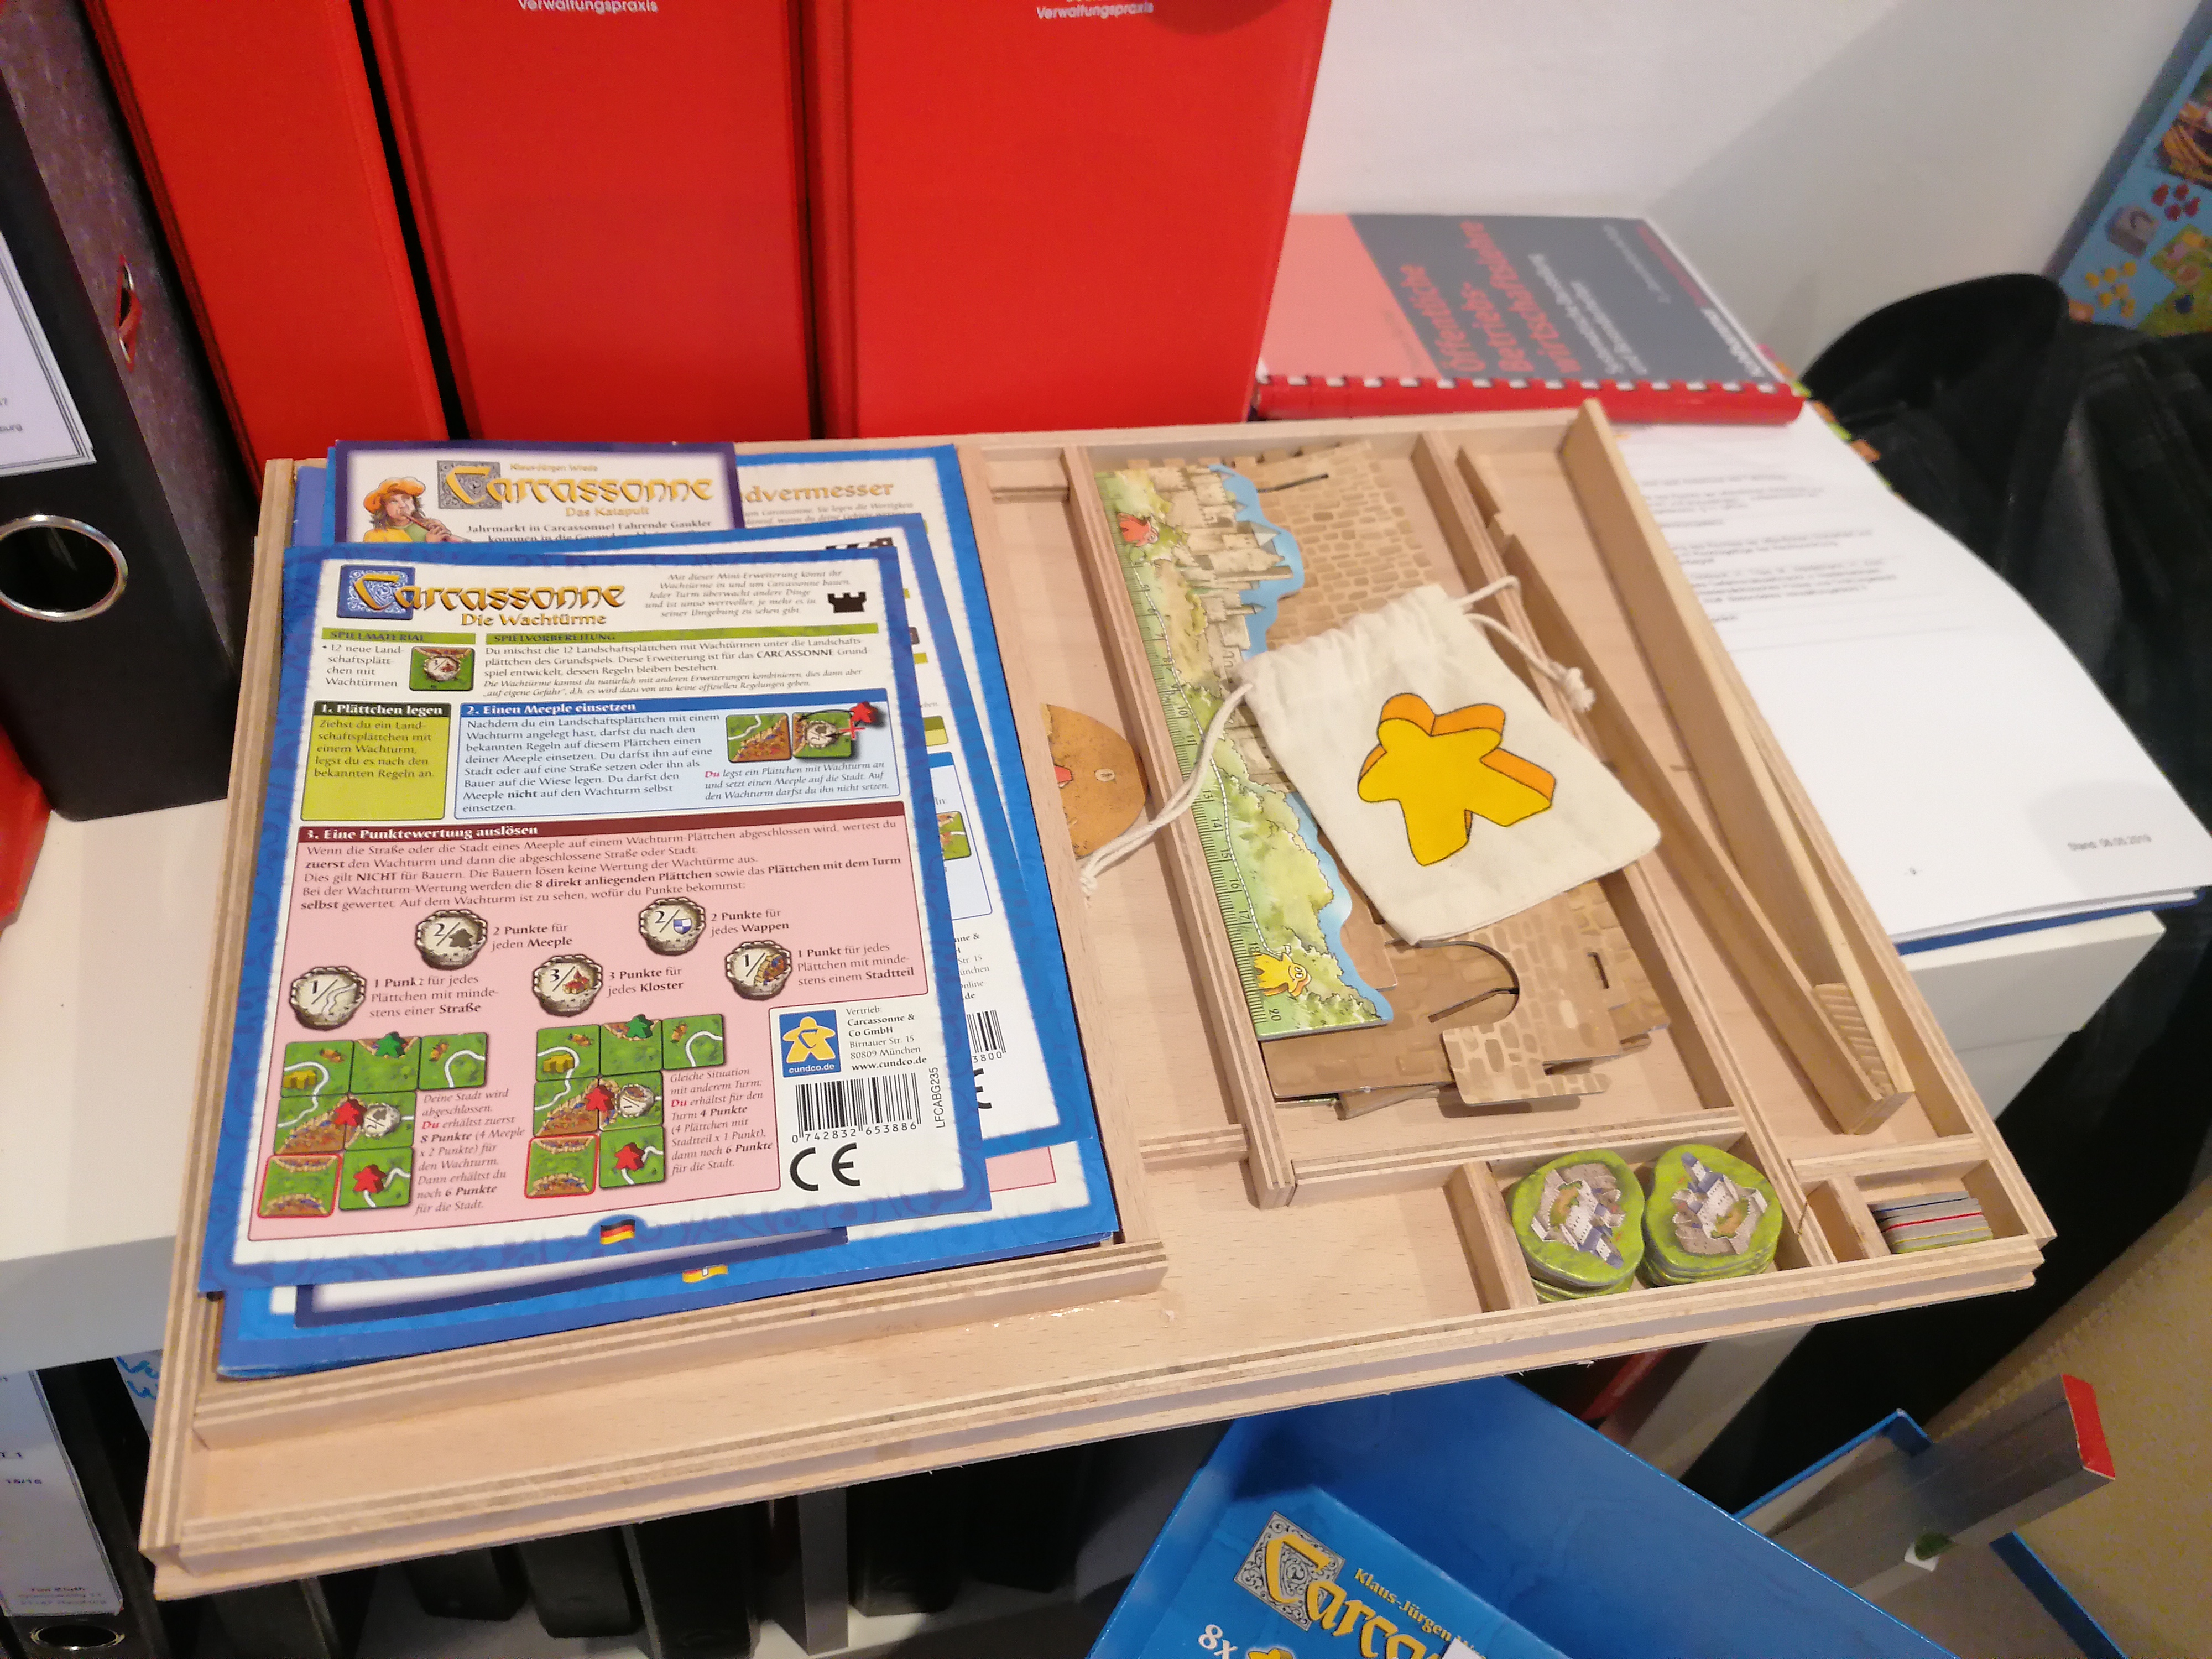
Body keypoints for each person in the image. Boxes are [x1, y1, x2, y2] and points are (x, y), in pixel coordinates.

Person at [362, 477, 461, 542]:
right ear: (384, 508)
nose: (403, 505)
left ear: (414, 502)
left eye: (406, 499)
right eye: (393, 501)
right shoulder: (374, 536)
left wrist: (448, 538)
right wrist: (430, 546)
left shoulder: (429, 526)